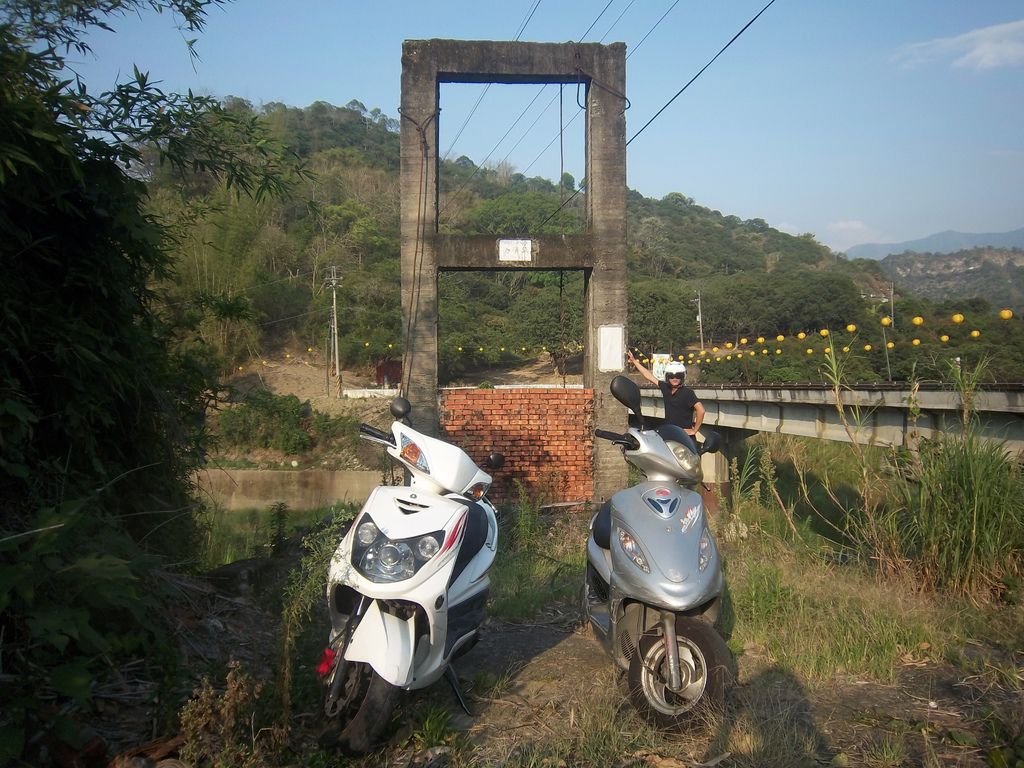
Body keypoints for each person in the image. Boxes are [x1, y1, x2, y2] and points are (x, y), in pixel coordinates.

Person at [626, 351, 705, 453]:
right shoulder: (666, 388)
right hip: (670, 434)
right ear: (667, 377)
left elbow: (701, 410)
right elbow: (649, 376)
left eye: (678, 376)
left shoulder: (687, 393)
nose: (675, 378)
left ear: (683, 377)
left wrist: (695, 430)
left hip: (684, 437)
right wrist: (633, 361)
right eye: (671, 376)